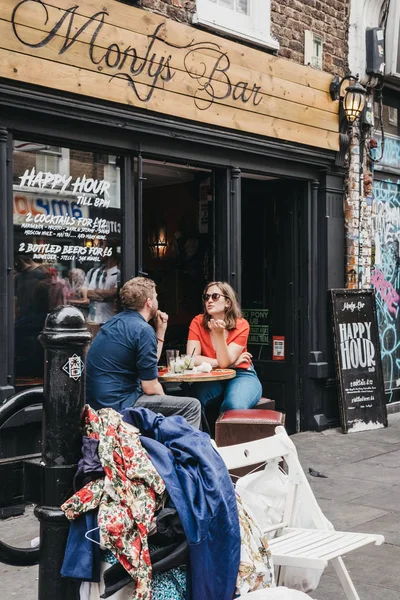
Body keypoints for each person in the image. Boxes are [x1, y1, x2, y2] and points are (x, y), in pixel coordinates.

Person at [85, 276, 201, 428]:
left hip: (98, 404)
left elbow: (148, 367)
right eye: (156, 297)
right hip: (120, 405)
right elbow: (150, 386)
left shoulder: (113, 323)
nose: (157, 301)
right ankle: (188, 450)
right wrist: (168, 404)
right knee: (192, 406)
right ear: (149, 302)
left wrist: (160, 331)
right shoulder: (142, 330)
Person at [186, 281, 262, 414]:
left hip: (241, 374)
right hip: (210, 375)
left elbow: (224, 362)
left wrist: (219, 335)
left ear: (228, 302)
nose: (209, 300)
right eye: (206, 297)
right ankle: (202, 435)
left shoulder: (241, 325)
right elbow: (191, 358)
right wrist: (229, 364)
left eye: (215, 296)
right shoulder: (197, 322)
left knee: (234, 405)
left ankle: (225, 435)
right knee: (193, 401)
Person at [83, 250, 120, 324]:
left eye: (104, 249)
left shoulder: (119, 273)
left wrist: (97, 291)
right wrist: (106, 296)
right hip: (93, 319)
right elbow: (88, 293)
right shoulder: (93, 272)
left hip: (110, 320)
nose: (100, 252)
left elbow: (114, 293)